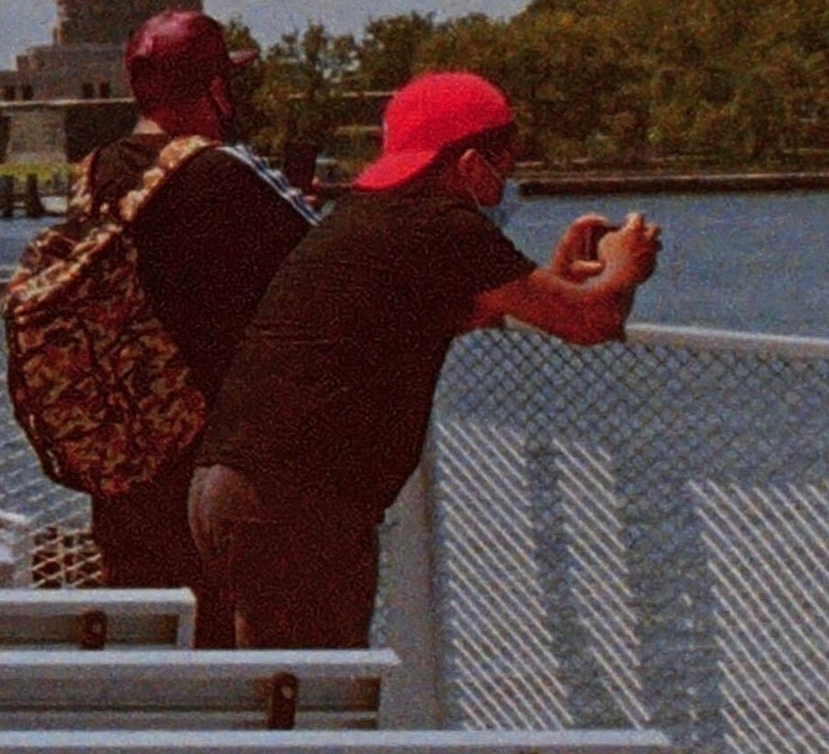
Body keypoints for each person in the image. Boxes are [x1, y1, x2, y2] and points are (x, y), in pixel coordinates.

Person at [191, 69, 658, 650]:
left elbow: (469, 310)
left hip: (231, 489)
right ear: (467, 165)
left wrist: (559, 278)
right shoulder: (445, 226)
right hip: (294, 506)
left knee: (275, 703)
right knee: (316, 710)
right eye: (502, 164)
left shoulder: (369, 217)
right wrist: (626, 263)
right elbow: (593, 322)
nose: (506, 180)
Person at [77, 7, 311, 639]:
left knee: (146, 647)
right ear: (213, 86)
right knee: (222, 644)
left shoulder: (100, 171)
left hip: (123, 460)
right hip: (208, 460)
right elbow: (332, 265)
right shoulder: (222, 172)